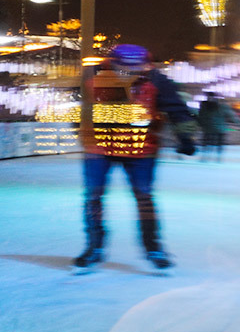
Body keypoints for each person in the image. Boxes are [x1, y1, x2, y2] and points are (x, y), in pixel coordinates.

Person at [73, 44, 196, 274]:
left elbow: (176, 109)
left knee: (144, 196)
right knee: (93, 195)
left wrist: (185, 136)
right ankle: (94, 247)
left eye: (136, 69)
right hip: (100, 146)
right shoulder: (94, 77)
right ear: (112, 63)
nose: (129, 74)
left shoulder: (158, 80)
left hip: (141, 149)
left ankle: (153, 248)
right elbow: (83, 109)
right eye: (123, 68)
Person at [197, 92, 238, 163]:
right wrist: (239, 123)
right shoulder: (222, 106)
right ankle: (218, 158)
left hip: (208, 128)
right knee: (219, 144)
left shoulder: (203, 106)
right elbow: (231, 115)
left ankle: (205, 157)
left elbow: (201, 117)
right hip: (220, 129)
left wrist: (200, 124)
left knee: (207, 143)